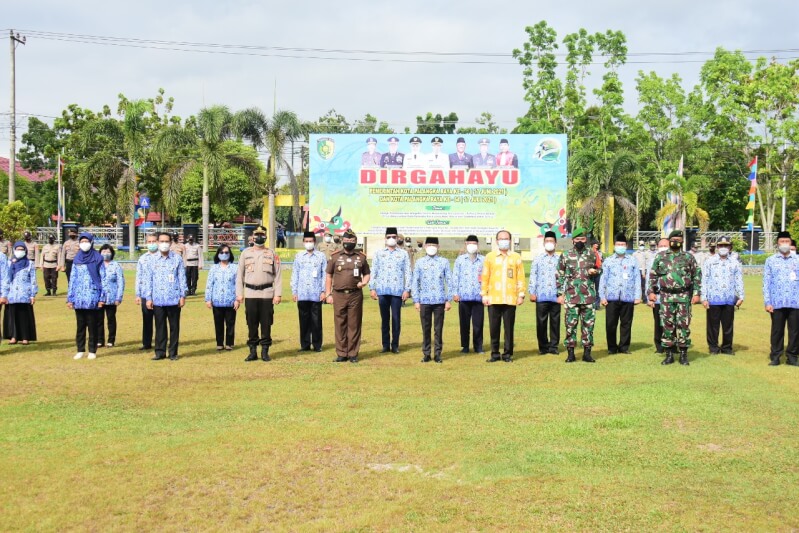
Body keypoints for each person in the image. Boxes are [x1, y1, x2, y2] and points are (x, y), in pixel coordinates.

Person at [648, 230, 701, 366]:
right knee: (667, 325)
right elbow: (653, 275)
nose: (676, 242)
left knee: (683, 325)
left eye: (679, 239)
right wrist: (651, 292)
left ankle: (683, 354)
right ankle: (669, 354)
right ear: (670, 241)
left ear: (682, 241)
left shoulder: (688, 257)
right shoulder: (660, 257)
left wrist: (696, 293)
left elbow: (696, 276)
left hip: (683, 295)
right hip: (666, 296)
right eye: (674, 239)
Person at [237, 225, 282, 362]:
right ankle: (252, 351)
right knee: (251, 324)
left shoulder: (272, 253)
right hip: (250, 293)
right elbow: (239, 275)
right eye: (257, 235)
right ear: (252, 237)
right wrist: (239, 293)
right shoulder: (245, 253)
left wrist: (278, 294)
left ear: (266, 237)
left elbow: (278, 275)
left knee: (266, 323)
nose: (259, 237)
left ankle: (265, 351)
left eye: (262, 235)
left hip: (267, 294)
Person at [325, 229, 370, 363]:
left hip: (355, 295)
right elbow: (328, 275)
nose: (348, 243)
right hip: (338, 294)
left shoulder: (361, 257)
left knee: (354, 324)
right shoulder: (335, 257)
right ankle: (341, 353)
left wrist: (365, 282)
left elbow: (367, 273)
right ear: (343, 241)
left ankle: (353, 353)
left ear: (355, 242)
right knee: (340, 324)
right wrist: (328, 294)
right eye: (346, 240)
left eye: (351, 241)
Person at [557, 228, 601, 363]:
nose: (580, 241)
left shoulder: (593, 254)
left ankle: (587, 353)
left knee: (588, 326)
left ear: (586, 240)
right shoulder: (565, 255)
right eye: (577, 239)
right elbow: (559, 275)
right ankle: (570, 353)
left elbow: (600, 269)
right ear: (573, 240)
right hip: (571, 296)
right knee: (570, 325)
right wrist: (560, 294)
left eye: (582, 239)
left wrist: (596, 271)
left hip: (588, 297)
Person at [481, 230, 525, 362]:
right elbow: (485, 277)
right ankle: (494, 353)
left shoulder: (516, 257)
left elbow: (520, 277)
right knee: (494, 328)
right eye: (501, 238)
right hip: (493, 298)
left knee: (508, 328)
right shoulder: (490, 257)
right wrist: (484, 294)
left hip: (510, 298)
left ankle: (507, 354)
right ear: (497, 241)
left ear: (510, 241)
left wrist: (521, 294)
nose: (504, 240)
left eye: (506, 238)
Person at [144, 232, 187, 361]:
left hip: (173, 298)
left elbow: (182, 278)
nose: (164, 244)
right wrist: (149, 297)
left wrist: (182, 295)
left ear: (170, 243)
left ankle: (173, 352)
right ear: (157, 242)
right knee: (160, 327)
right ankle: (160, 352)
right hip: (158, 299)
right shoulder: (151, 260)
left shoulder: (177, 258)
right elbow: (148, 280)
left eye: (166, 241)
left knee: (174, 327)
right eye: (161, 241)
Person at [369, 227, 411, 353]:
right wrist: (372, 288)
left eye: (394, 237)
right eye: (389, 237)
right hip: (382, 291)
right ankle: (385, 345)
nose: (391, 239)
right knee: (385, 319)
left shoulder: (403, 253)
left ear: (398, 238)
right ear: (385, 238)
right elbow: (374, 271)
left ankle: (395, 345)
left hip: (397, 291)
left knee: (396, 319)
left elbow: (408, 272)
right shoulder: (378, 253)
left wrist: (407, 289)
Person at [411, 237, 452, 363]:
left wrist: (448, 299)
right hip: (424, 300)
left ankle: (438, 353)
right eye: (429, 244)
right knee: (426, 328)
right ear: (425, 246)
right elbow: (415, 281)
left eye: (434, 245)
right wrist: (416, 300)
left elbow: (449, 281)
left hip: (439, 300)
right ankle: (426, 353)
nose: (431, 247)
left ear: (438, 247)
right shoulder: (420, 262)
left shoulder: (444, 262)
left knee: (438, 329)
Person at [599, 234, 642, 354]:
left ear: (626, 246)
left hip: (628, 296)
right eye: (618, 244)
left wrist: (637, 296)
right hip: (612, 297)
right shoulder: (608, 261)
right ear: (614, 245)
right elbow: (603, 279)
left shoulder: (632, 260)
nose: (620, 246)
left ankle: (624, 347)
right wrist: (602, 296)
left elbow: (637, 278)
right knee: (611, 324)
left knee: (626, 324)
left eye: (622, 244)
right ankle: (612, 348)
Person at [701, 236, 744, 355]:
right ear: (717, 247)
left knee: (728, 326)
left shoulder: (735, 262)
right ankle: (713, 347)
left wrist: (741, 296)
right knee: (712, 326)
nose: (723, 248)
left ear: (730, 247)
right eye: (721, 246)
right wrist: (704, 297)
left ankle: (727, 348)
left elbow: (738, 279)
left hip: (729, 298)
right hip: (713, 298)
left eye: (726, 246)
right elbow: (705, 279)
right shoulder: (710, 261)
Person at [763, 231, 799, 366]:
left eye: (787, 242)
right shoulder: (771, 261)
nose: (784, 244)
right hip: (776, 302)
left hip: (795, 301)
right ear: (777, 244)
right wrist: (768, 302)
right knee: (777, 331)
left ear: (791, 243)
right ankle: (776, 356)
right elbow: (766, 283)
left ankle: (792, 356)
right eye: (782, 242)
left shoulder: (797, 260)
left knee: (795, 331)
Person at [67, 233, 105, 360]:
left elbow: (103, 279)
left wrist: (102, 298)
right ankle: (80, 349)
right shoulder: (77, 259)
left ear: (91, 242)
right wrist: (70, 298)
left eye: (86, 241)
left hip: (92, 297)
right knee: (80, 325)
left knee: (92, 325)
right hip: (79, 298)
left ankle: (92, 350)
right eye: (82, 241)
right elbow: (72, 279)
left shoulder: (98, 258)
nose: (84, 243)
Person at [291, 232, 327, 352]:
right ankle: (305, 344)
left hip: (316, 293)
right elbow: (295, 274)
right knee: (304, 320)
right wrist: (294, 291)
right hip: (302, 293)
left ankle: (317, 345)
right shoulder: (299, 256)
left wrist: (323, 291)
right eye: (306, 241)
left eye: (310, 241)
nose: (308, 243)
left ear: (315, 242)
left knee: (316, 321)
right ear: (303, 242)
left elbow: (325, 275)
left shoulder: (321, 256)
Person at [528, 231, 561, 355]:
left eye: (551, 241)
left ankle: (553, 346)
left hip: (555, 296)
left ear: (556, 243)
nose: (549, 243)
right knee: (541, 322)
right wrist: (532, 292)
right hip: (541, 295)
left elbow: (563, 277)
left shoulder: (560, 259)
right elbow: (533, 275)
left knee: (555, 322)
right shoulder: (538, 259)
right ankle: (543, 347)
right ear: (544, 243)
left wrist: (562, 294)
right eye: (547, 241)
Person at [452, 235, 485, 354]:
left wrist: (486, 294)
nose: (472, 246)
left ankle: (478, 346)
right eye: (469, 243)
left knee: (478, 324)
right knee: (464, 323)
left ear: (478, 245)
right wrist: (455, 293)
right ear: (465, 244)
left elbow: (487, 278)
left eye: (474, 243)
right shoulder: (460, 260)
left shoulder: (483, 260)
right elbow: (455, 277)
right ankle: (465, 346)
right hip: (463, 297)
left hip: (478, 297)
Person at [2, 242, 38, 345]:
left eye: (22, 249)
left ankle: (25, 337)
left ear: (25, 251)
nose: (19, 251)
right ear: (14, 250)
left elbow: (33, 280)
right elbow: (6, 279)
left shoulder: (29, 264)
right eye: (17, 249)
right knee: (12, 316)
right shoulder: (9, 263)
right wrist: (5, 293)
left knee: (24, 316)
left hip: (24, 294)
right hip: (12, 294)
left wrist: (32, 295)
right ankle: (13, 336)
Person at [205, 245, 239, 351]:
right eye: (222, 252)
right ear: (218, 254)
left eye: (226, 252)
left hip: (230, 300)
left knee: (230, 323)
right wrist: (208, 299)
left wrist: (237, 299)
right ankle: (219, 343)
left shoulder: (235, 268)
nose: (224, 254)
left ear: (230, 254)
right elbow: (209, 284)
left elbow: (238, 284)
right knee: (218, 323)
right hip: (217, 300)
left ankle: (229, 343)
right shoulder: (214, 268)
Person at [97, 244, 124, 349]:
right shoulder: (97, 265)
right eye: (103, 252)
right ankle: (100, 340)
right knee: (99, 320)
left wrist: (119, 297)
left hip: (112, 297)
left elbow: (120, 282)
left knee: (111, 319)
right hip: (99, 298)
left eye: (108, 252)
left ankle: (111, 340)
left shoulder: (116, 265)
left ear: (112, 253)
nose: (105, 254)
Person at [135, 233, 159, 351]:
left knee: (160, 320)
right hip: (145, 293)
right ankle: (146, 343)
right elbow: (139, 277)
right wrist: (138, 294)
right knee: (147, 319)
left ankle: (160, 342)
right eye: (149, 242)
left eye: (153, 241)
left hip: (160, 293)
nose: (151, 244)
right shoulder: (142, 259)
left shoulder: (163, 257)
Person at [646, 238, 670, 354]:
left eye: (665, 245)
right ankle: (659, 346)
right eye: (661, 245)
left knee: (672, 322)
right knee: (658, 323)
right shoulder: (653, 260)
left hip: (672, 298)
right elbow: (648, 279)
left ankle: (672, 346)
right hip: (658, 297)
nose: (663, 247)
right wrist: (649, 296)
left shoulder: (675, 259)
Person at [590, 240, 603, 310]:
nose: (597, 245)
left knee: (598, 289)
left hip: (598, 272)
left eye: (598, 244)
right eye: (596, 244)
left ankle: (597, 305)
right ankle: (591, 304)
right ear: (592, 244)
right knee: (590, 288)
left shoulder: (600, 253)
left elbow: (602, 261)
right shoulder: (589, 252)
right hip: (591, 272)